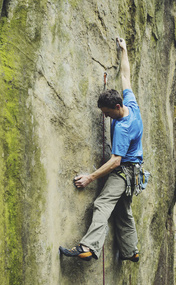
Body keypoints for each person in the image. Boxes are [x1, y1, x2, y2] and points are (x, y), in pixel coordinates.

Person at [59, 38, 143, 262]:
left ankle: (88, 247)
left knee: (102, 203)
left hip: (123, 171)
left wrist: (90, 177)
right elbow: (126, 76)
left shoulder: (125, 128)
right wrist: (124, 50)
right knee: (123, 212)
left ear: (116, 107)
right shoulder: (131, 104)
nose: (105, 117)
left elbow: (116, 162)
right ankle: (131, 251)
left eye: (107, 113)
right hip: (134, 173)